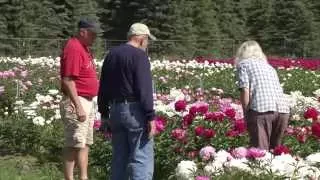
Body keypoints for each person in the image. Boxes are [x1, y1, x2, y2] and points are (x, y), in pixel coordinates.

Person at [98, 22, 157, 180]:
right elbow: (144, 88)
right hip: (134, 110)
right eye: (147, 40)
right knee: (141, 157)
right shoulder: (139, 55)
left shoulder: (112, 54)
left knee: (119, 158)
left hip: (115, 109)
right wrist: (150, 116)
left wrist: (104, 113)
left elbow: (103, 86)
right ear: (141, 38)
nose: (147, 44)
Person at [60, 18, 101, 180]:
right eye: (93, 34)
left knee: (84, 142)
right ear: (83, 32)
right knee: (73, 143)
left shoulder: (84, 48)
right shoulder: (74, 48)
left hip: (88, 100)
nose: (95, 38)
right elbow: (68, 79)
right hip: (78, 100)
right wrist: (78, 106)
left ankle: (83, 177)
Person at [234, 40, 290, 150]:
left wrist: (246, 114)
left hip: (262, 110)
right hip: (283, 110)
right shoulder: (270, 67)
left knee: (260, 153)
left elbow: (245, 90)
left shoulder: (243, 65)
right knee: (276, 152)